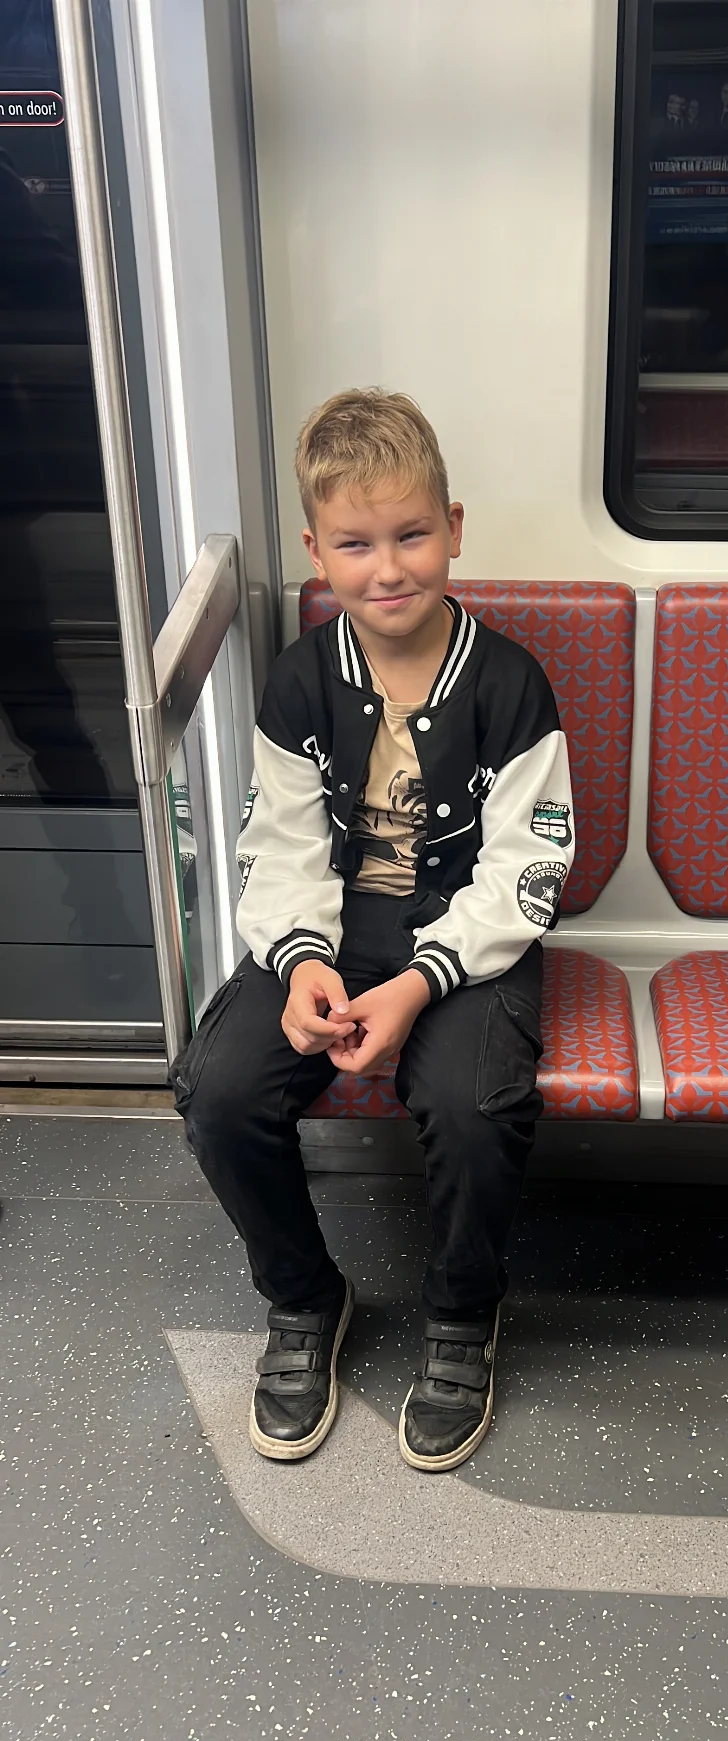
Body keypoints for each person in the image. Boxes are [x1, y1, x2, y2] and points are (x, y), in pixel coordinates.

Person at [170, 389, 574, 1473]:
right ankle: (305, 1296)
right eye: (355, 544)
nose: (387, 568)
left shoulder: (509, 683)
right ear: (317, 551)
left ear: (453, 527)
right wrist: (303, 961)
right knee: (219, 1088)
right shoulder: (301, 681)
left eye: (411, 535)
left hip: (468, 937)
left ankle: (462, 1313)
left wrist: (418, 982)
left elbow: (526, 871)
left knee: (473, 1104)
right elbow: (281, 849)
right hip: (332, 930)